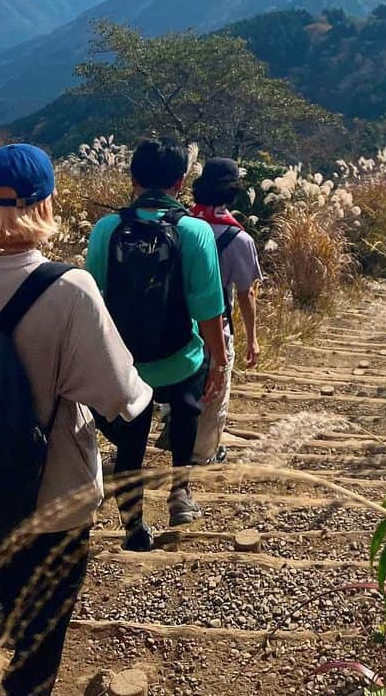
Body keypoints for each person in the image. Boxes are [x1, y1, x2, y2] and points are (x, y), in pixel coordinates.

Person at [0, 144, 151, 696]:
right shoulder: (68, 289)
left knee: (11, 594)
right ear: (47, 204)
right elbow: (124, 399)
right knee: (39, 638)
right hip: (52, 494)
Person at [86, 138, 227, 545]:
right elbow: (208, 309)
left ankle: (133, 527)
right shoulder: (195, 232)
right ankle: (180, 493)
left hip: (124, 362)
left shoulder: (107, 229)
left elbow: (91, 301)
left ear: (132, 178)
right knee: (186, 410)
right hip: (180, 357)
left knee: (131, 438)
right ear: (180, 182)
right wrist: (217, 362)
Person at [189, 157, 262, 464]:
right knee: (214, 392)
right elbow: (246, 294)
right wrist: (252, 338)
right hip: (217, 328)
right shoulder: (239, 238)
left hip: (176, 324)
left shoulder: (182, 225)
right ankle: (204, 452)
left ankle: (177, 432)